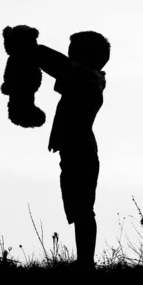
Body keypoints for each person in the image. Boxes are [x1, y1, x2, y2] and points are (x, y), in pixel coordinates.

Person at [36, 31, 110, 270]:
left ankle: (86, 262)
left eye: (74, 51)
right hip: (76, 151)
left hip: (81, 152)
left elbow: (57, 64)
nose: (70, 55)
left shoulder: (86, 78)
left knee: (83, 210)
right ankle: (84, 261)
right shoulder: (87, 79)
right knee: (80, 210)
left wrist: (31, 47)